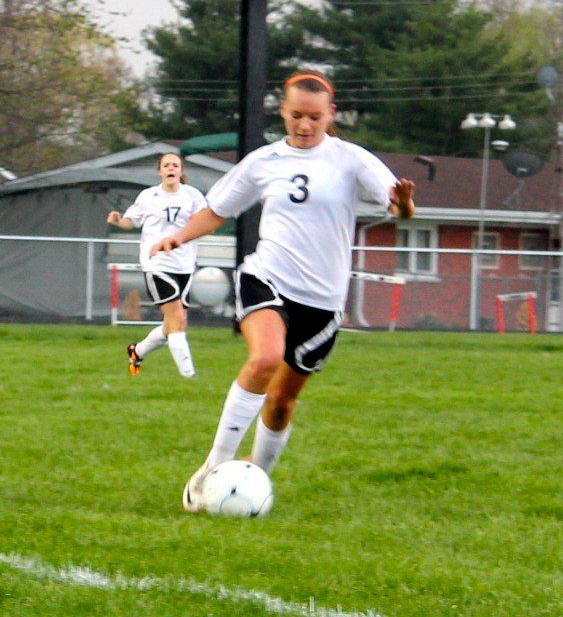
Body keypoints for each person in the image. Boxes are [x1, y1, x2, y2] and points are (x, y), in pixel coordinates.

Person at [149, 70, 416, 512]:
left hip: (324, 302)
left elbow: (398, 208)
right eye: (296, 116)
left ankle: (255, 482)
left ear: (331, 115)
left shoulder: (352, 161)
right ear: (283, 112)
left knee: (282, 400)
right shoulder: (263, 161)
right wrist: (179, 237)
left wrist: (404, 203)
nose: (305, 125)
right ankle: (212, 469)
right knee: (265, 358)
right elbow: (216, 210)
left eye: (314, 117)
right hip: (267, 277)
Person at [107, 153, 206, 378]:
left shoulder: (193, 196)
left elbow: (205, 223)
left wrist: (199, 224)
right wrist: (118, 220)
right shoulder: (149, 196)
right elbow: (131, 221)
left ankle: (137, 351)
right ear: (159, 172)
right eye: (166, 165)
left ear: (181, 171)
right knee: (177, 320)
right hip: (157, 265)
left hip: (185, 266)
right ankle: (190, 377)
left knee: (173, 324)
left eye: (175, 165)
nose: (171, 169)